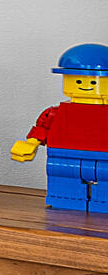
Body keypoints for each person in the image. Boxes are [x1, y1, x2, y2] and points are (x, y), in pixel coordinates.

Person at [12, 43, 108, 213]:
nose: (85, 85)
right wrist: (31, 143)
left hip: (103, 158)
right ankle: (65, 200)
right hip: (62, 156)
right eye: (77, 80)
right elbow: (42, 129)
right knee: (63, 181)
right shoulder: (55, 113)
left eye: (94, 81)